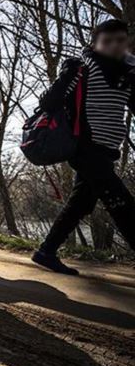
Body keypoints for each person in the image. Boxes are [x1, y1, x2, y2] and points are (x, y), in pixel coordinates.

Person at [33, 19, 135, 275]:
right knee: (120, 201)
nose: (114, 45)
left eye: (120, 40)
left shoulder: (127, 76)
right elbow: (48, 102)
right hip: (86, 148)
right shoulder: (82, 69)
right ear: (95, 43)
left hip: (108, 149)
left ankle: (46, 251)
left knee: (82, 202)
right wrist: (66, 74)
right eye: (107, 40)